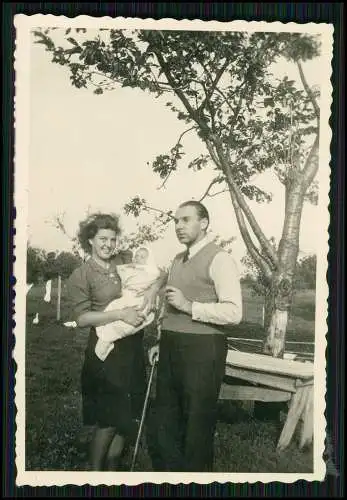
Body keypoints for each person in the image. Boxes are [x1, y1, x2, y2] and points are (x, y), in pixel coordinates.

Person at [148, 201, 243, 472]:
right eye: (176, 221)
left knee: (196, 425)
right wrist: (159, 340)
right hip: (170, 346)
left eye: (185, 220)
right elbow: (168, 307)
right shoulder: (177, 260)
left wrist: (190, 306)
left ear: (204, 223)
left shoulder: (220, 258)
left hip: (203, 348)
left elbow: (234, 312)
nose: (178, 226)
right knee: (166, 420)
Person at [66, 213, 163, 471]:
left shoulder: (126, 261)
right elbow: (82, 318)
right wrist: (120, 314)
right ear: (90, 240)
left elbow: (159, 273)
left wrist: (153, 289)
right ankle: (95, 472)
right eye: (102, 239)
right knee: (109, 417)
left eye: (112, 238)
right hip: (106, 349)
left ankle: (113, 471)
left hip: (132, 346)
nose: (108, 244)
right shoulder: (82, 274)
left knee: (127, 414)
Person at [94, 246, 161, 361]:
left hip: (139, 301)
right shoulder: (129, 268)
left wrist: (152, 288)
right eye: (137, 256)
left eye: (142, 257)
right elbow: (124, 276)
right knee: (109, 314)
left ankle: (107, 339)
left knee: (127, 324)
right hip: (125, 298)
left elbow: (152, 278)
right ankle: (105, 337)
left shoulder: (151, 271)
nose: (138, 258)